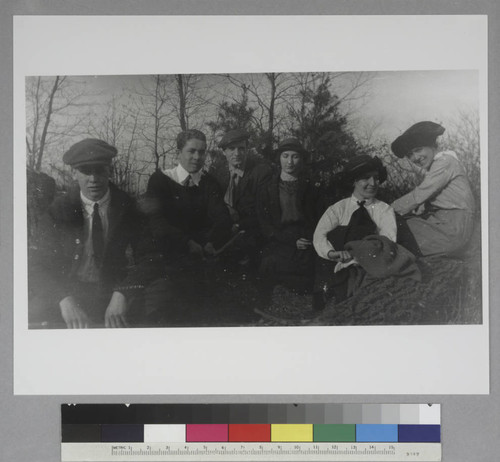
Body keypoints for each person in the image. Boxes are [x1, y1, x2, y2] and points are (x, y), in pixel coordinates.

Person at [28, 139, 143, 329]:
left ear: (110, 171)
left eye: (100, 170)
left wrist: (123, 292)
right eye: (85, 171)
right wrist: (63, 298)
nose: (93, 179)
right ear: (74, 173)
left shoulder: (127, 207)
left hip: (112, 291)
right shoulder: (58, 211)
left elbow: (150, 255)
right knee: (33, 321)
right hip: (68, 291)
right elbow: (37, 263)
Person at [140, 129, 232, 324]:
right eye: (191, 151)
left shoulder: (209, 183)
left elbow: (222, 218)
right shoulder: (161, 180)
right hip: (167, 259)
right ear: (178, 152)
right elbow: (157, 223)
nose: (197, 157)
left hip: (201, 260)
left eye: (202, 152)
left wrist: (211, 241)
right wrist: (187, 242)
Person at [313, 155, 399, 306]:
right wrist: (332, 253)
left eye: (376, 178)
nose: (372, 183)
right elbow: (319, 236)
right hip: (336, 265)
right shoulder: (338, 209)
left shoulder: (384, 210)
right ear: (354, 181)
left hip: (368, 266)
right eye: (366, 178)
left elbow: (388, 241)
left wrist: (360, 256)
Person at [390, 121, 475, 256]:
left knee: (395, 232)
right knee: (399, 228)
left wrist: (385, 211)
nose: (415, 158)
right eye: (410, 155)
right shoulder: (436, 167)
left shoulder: (445, 162)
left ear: (432, 146)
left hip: (453, 228)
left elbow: (419, 196)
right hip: (443, 223)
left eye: (418, 150)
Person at [257, 138, 324, 294]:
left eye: (295, 156)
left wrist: (306, 239)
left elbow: (319, 218)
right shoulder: (267, 188)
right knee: (269, 265)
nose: (290, 162)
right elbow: (264, 223)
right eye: (285, 156)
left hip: (306, 239)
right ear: (279, 158)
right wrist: (288, 240)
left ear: (301, 160)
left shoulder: (312, 187)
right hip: (278, 240)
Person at [210, 128, 273, 268]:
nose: (237, 153)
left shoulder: (261, 172)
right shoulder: (218, 173)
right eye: (231, 149)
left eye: (241, 148)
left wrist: (239, 226)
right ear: (224, 151)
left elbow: (262, 212)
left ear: (247, 149)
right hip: (225, 233)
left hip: (251, 233)